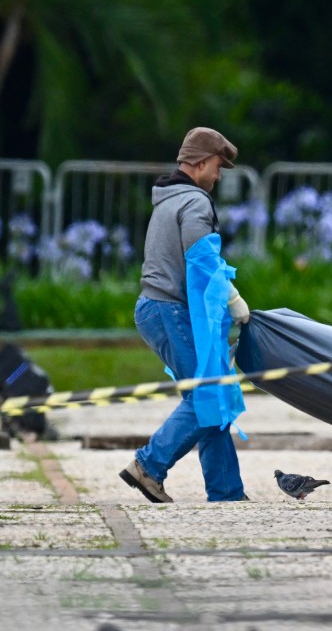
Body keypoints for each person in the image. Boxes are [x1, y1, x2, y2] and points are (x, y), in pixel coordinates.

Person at [119, 127, 252, 503]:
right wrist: (233, 299)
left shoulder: (168, 199)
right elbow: (202, 261)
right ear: (202, 162)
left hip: (154, 309)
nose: (218, 176)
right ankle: (149, 465)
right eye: (218, 167)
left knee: (210, 396)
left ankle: (227, 493)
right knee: (206, 394)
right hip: (168, 310)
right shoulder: (194, 202)